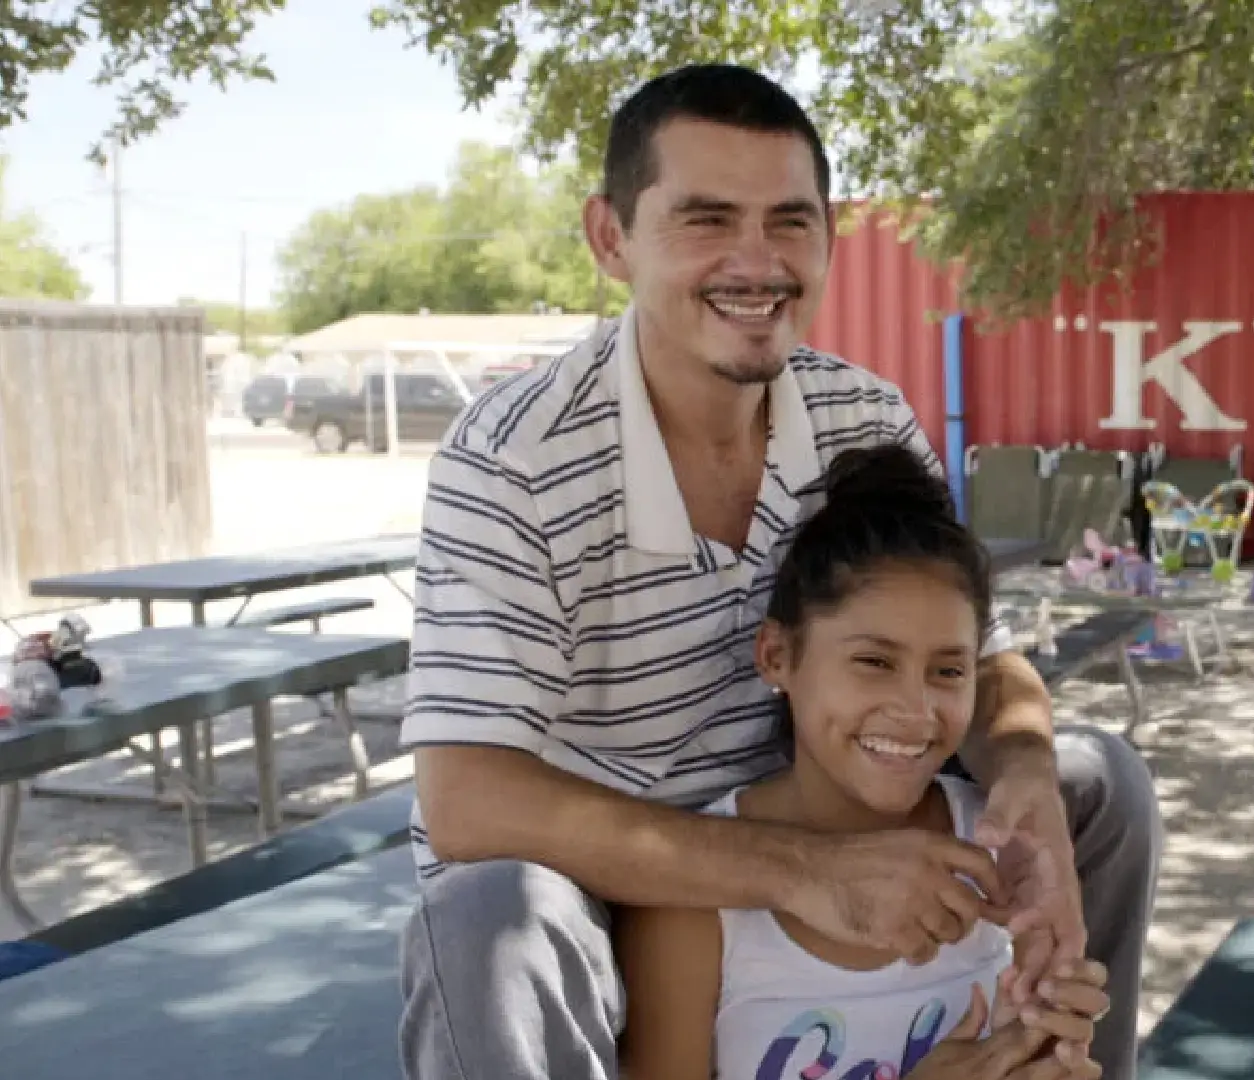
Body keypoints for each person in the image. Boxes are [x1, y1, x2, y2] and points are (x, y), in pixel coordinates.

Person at [397, 62, 1163, 1080]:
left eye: (790, 223)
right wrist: (809, 871)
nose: (756, 263)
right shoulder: (516, 455)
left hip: (808, 798)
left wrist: (1021, 777)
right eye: (707, 219)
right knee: (488, 915)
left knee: (1091, 784)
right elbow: (465, 801)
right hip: (614, 860)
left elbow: (974, 660)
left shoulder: (864, 418)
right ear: (609, 237)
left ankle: (1059, 1055)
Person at [616, 443, 1106, 1080]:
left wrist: (1044, 1050)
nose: (915, 708)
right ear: (776, 657)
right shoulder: (693, 906)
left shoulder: (998, 851)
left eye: (948, 670)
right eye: (874, 662)